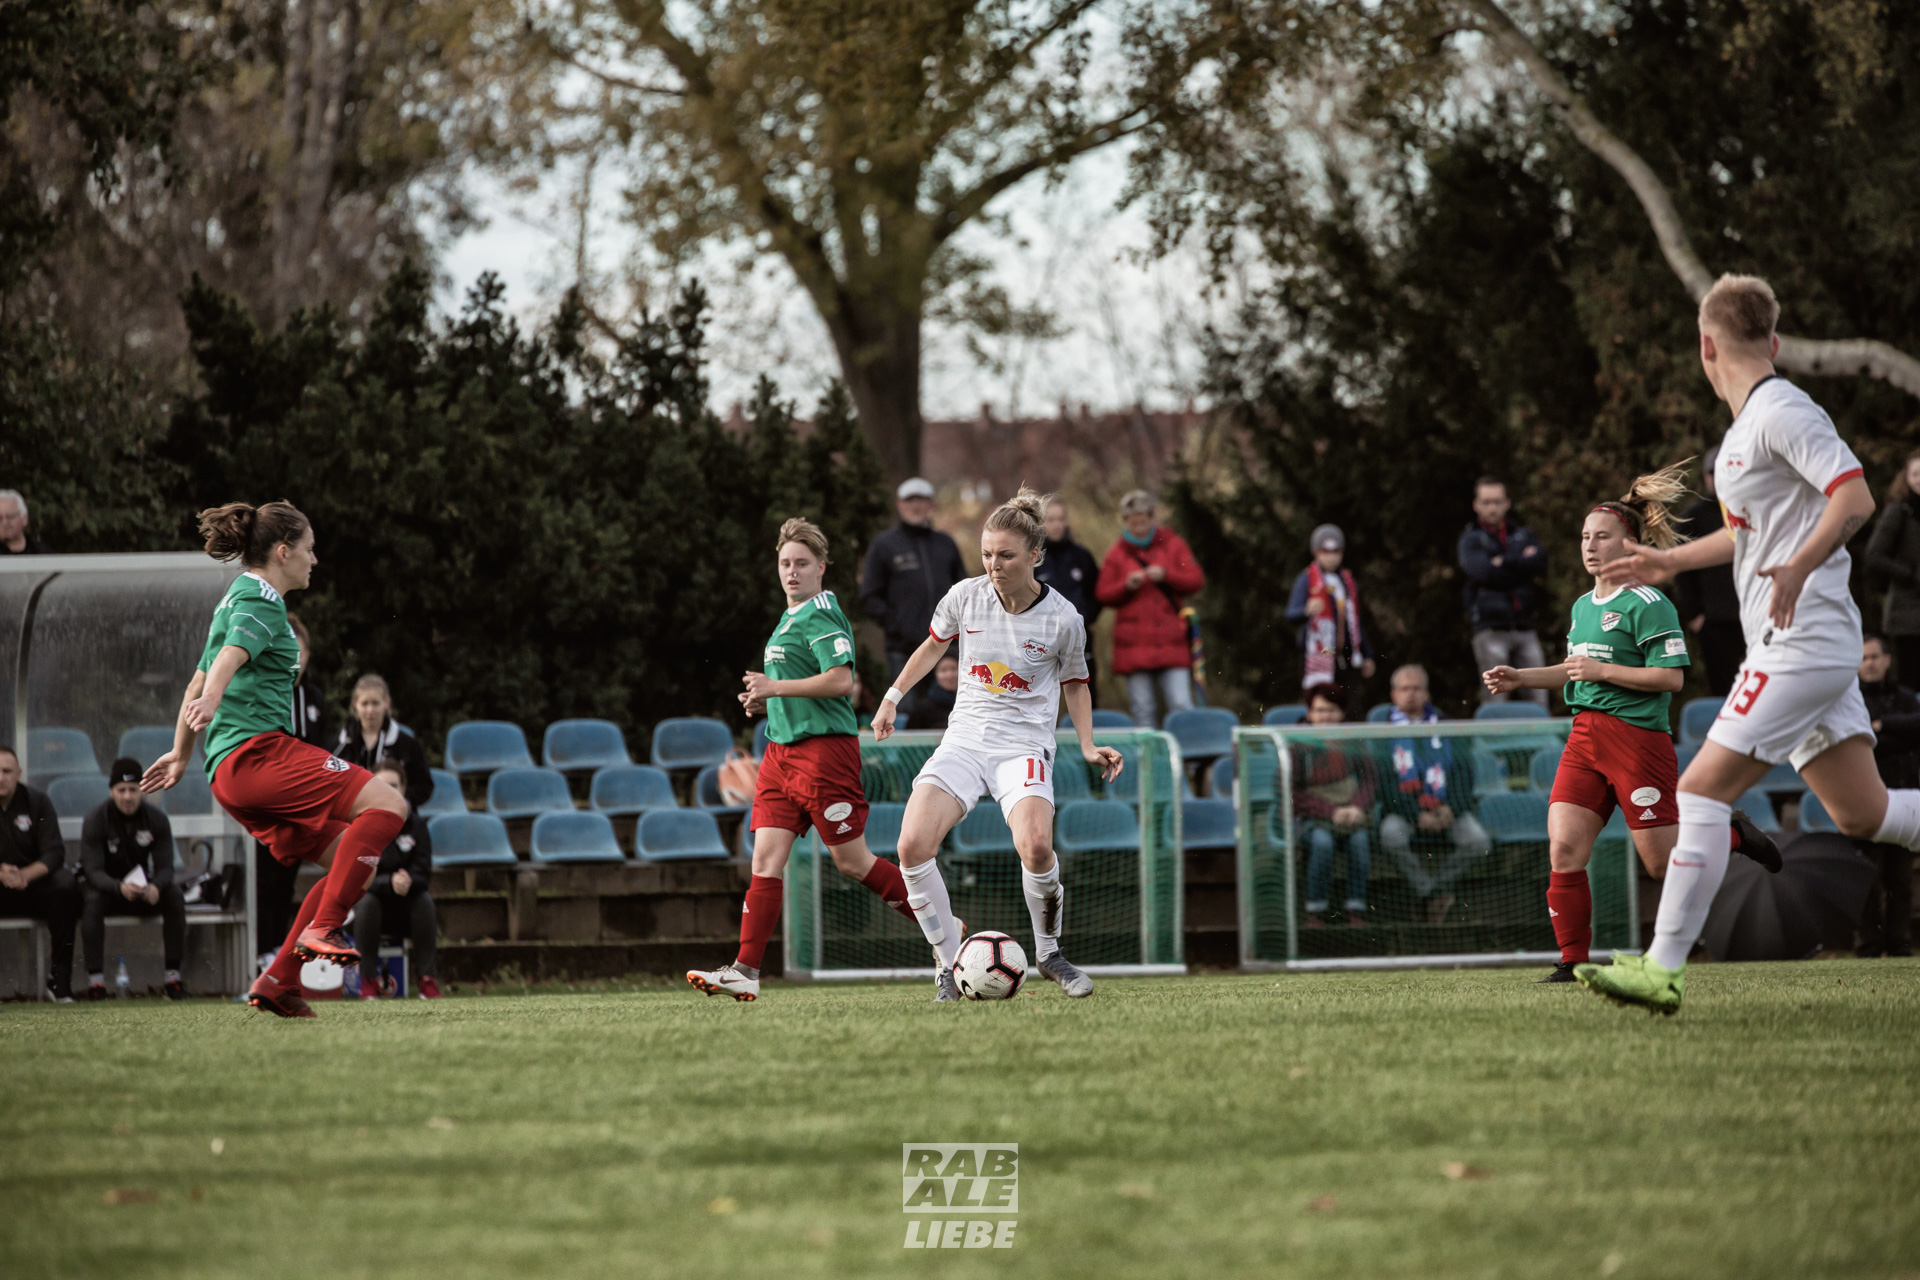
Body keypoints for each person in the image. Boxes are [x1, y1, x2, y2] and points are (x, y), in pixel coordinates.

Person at [1578, 274, 1920, 1015]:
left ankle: (1662, 968)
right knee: (1866, 814)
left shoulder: (1782, 410)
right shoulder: (1744, 435)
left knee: (1698, 790)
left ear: (1706, 347)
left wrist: (1800, 565)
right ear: (1770, 340)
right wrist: (1670, 561)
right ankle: (1663, 964)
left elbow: (1855, 497)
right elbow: (1748, 535)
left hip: (1799, 645)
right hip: (1810, 649)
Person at [1483, 466, 1781, 983]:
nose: (1590, 546)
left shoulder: (1648, 602)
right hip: (1584, 739)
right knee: (1564, 847)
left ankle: (1731, 835)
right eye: (1584, 537)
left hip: (1636, 742)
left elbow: (1670, 679)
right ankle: (1572, 963)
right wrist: (1521, 676)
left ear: (1629, 544)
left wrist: (1603, 671)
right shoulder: (1582, 606)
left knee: (1661, 865)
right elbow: (1577, 669)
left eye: (1602, 537)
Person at [142, 500, 410, 1019]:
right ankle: (324, 927)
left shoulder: (236, 597)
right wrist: (214, 701)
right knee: (389, 805)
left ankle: (278, 982)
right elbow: (222, 665)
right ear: (283, 552)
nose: (315, 560)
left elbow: (196, 678)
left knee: (347, 867)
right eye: (309, 550)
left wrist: (181, 752)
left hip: (230, 771)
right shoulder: (261, 600)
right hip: (257, 755)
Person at [874, 488, 1124, 1001]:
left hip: (1024, 745)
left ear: (1035, 555)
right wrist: (892, 696)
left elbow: (1077, 685)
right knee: (910, 846)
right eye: (987, 554)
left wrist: (1088, 744)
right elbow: (932, 646)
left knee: (1035, 847)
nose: (993, 565)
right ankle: (947, 965)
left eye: (1005, 555)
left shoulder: (1064, 619)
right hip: (964, 740)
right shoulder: (965, 596)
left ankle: (1050, 953)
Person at [687, 518, 925, 1001]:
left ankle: (950, 932)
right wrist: (765, 701)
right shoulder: (789, 616)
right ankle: (745, 970)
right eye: (784, 564)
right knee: (765, 859)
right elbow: (794, 685)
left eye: (801, 564)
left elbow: (840, 681)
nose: (791, 572)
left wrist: (775, 687)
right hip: (779, 752)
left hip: (823, 754)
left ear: (821, 567)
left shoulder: (822, 613)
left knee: (853, 862)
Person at [1376, 664, 1491, 923]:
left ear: (1426, 693)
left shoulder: (1447, 726)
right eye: (1405, 689)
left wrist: (1451, 808)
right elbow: (1383, 784)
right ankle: (1431, 895)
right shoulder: (1380, 732)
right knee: (1391, 835)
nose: (1411, 694)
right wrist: (1416, 814)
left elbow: (1463, 773)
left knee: (1478, 841)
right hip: (1403, 811)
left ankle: (1434, 890)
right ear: (1394, 694)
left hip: (1447, 808)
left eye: (1417, 688)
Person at [79, 757, 187, 1000]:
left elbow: (166, 867)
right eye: (122, 790)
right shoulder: (96, 818)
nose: (128, 796)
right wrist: (118, 887)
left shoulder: (157, 819)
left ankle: (173, 978)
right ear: (111, 791)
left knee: (174, 896)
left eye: (133, 789)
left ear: (143, 790)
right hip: (108, 890)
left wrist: (156, 887)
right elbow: (92, 871)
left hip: (142, 890)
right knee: (91, 900)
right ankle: (96, 982)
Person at [1096, 489, 1206, 728]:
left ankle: (1189, 760)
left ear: (1152, 517)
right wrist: (1126, 585)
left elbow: (1196, 580)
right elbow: (1102, 593)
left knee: (1181, 705)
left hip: (1171, 642)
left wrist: (1167, 575)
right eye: (1134, 523)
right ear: (1125, 522)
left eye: (1144, 521)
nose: (1139, 528)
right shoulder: (1117, 554)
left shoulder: (1174, 545)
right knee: (1143, 709)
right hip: (1134, 646)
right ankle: (1150, 763)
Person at [860, 477, 967, 716]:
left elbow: (964, 591)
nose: (916, 506)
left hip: (945, 650)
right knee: (903, 710)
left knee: (953, 712)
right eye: (910, 500)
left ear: (932, 505)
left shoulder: (946, 544)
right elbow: (869, 597)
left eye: (922, 499)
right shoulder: (884, 545)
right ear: (899, 504)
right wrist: (899, 626)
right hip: (903, 649)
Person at [352, 758, 440, 998]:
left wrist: (408, 881)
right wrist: (388, 883)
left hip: (407, 906)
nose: (389, 791)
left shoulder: (417, 826)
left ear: (403, 789)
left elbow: (424, 873)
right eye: (382, 786)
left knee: (424, 901)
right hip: (371, 909)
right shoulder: (362, 826)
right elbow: (357, 877)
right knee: (367, 902)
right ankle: (367, 981)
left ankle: (427, 980)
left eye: (394, 785)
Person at [1458, 479, 1549, 705]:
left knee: (1539, 693)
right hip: (1490, 628)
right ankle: (1490, 742)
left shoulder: (1522, 534)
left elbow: (1540, 563)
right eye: (1486, 502)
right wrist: (1521, 563)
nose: (1492, 508)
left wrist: (1503, 561)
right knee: (1495, 696)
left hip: (1524, 626)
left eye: (1497, 501)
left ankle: (1543, 741)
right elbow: (1484, 573)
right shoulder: (1471, 539)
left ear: (1507, 503)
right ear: (1476, 505)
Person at [0, 745, 80, 1001]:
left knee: (66, 885)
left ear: (19, 773)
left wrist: (24, 875)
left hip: (33, 887)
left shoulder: (37, 802)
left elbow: (55, 852)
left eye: (6, 771)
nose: (0, 777)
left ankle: (59, 982)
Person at [1855, 635, 1917, 957]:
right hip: (1866, 798)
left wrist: (1883, 726)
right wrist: (1896, 735)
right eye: (1864, 658)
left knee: (1901, 878)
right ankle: (1868, 944)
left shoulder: (1905, 697)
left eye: (1876, 656)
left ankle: (1899, 943)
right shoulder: (1852, 699)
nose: (1871, 663)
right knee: (1867, 877)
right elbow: (1862, 740)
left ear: (1887, 659)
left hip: (1904, 795)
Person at [1291, 686, 1374, 927]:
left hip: (1350, 814)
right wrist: (1330, 812)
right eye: (1319, 710)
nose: (1325, 716)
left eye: (1331, 710)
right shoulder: (1295, 744)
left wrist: (1357, 808)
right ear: (1310, 713)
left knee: (1360, 842)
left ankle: (1356, 910)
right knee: (1322, 843)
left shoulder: (1353, 741)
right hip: (1311, 818)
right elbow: (1290, 792)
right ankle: (1315, 911)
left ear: (1341, 713)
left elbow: (1369, 779)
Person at [1671, 447, 1746, 696]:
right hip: (1714, 619)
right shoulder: (1693, 516)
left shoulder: (1749, 511)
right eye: (1712, 474)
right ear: (1705, 478)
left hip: (1750, 613)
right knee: (1723, 689)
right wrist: (1695, 615)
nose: (1718, 479)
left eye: (1723, 472)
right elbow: (1682, 571)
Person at [1285, 524, 1375, 697]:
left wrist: (1367, 654)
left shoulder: (1348, 582)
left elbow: (1356, 622)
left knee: (1350, 707)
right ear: (1316, 553)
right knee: (1320, 706)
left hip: (1347, 657)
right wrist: (1306, 610)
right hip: (1318, 656)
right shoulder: (1306, 579)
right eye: (1325, 552)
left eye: (1336, 552)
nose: (1331, 558)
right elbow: (1290, 615)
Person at [1036, 497, 1103, 696]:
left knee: (1086, 695)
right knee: (1042, 698)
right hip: (1042, 640)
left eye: (1061, 519)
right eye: (1051, 519)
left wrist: (1084, 617)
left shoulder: (1082, 556)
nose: (1057, 525)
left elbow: (1097, 593)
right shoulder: (1033, 558)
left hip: (1079, 639)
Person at [332, 674, 432, 807]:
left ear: (386, 703)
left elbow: (424, 786)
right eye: (365, 703)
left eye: (375, 703)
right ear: (355, 704)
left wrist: (399, 800)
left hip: (395, 818)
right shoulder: (340, 744)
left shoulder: (407, 745)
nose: (370, 710)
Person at [1865, 450, 1920, 683]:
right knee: (1912, 679)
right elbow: (1874, 554)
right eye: (1916, 473)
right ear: (1907, 478)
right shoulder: (1900, 511)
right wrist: (1909, 573)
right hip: (1908, 616)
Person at [913, 653, 960, 734]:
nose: (949, 675)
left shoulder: (972, 702)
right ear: (935, 674)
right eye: (943, 670)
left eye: (953, 669)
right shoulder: (923, 709)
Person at [0, 490, 51, 555]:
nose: (5, 523)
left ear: (24, 518)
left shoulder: (42, 553)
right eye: (0, 518)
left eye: (10, 517)